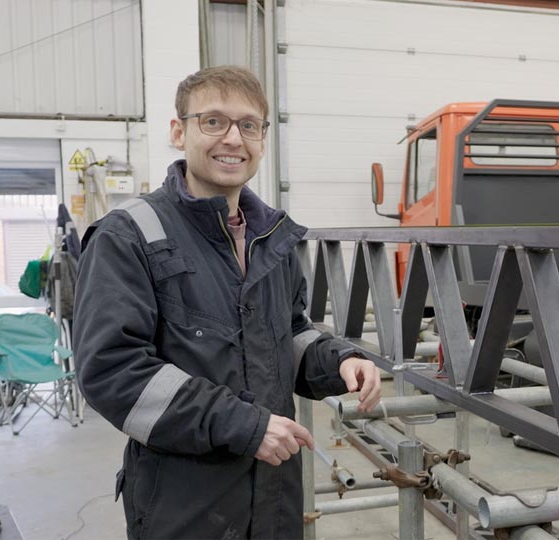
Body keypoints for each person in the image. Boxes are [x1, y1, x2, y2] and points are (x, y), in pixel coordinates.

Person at [73, 65, 382, 540]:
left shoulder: (272, 238)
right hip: (185, 506)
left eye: (249, 125)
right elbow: (112, 371)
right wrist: (245, 426)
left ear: (262, 139)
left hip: (275, 501)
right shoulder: (129, 236)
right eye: (213, 121)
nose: (233, 139)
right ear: (179, 132)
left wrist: (339, 360)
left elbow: (288, 335)